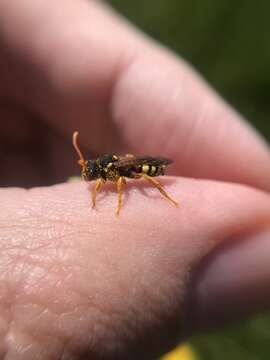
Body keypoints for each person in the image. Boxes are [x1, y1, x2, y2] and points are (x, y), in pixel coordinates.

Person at [0, 1, 270, 359]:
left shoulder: (112, 172)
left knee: (142, 175)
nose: (91, 178)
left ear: (99, 171)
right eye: (90, 174)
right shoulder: (101, 171)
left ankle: (170, 198)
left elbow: (119, 182)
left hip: (147, 169)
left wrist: (112, 200)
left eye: (91, 174)